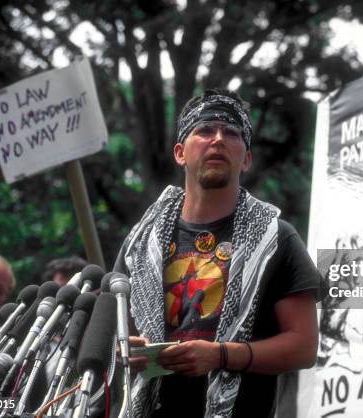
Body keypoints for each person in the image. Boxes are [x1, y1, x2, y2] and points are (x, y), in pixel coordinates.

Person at [114, 88, 321, 418]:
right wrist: (126, 351)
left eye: (232, 133)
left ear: (247, 159)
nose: (218, 139)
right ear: (180, 153)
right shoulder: (141, 242)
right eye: (205, 130)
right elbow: (114, 335)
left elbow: (304, 346)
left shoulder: (276, 238)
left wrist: (222, 355)